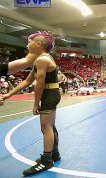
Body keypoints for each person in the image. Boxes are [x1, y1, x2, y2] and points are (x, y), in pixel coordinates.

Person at [2, 31, 61, 176]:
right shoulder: (42, 58)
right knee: (50, 125)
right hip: (52, 93)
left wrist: (36, 104)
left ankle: (47, 160)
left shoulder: (42, 60)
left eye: (30, 42)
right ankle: (54, 154)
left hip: (49, 94)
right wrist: (8, 94)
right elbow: (28, 81)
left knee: (45, 127)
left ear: (38, 44)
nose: (27, 45)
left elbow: (39, 85)